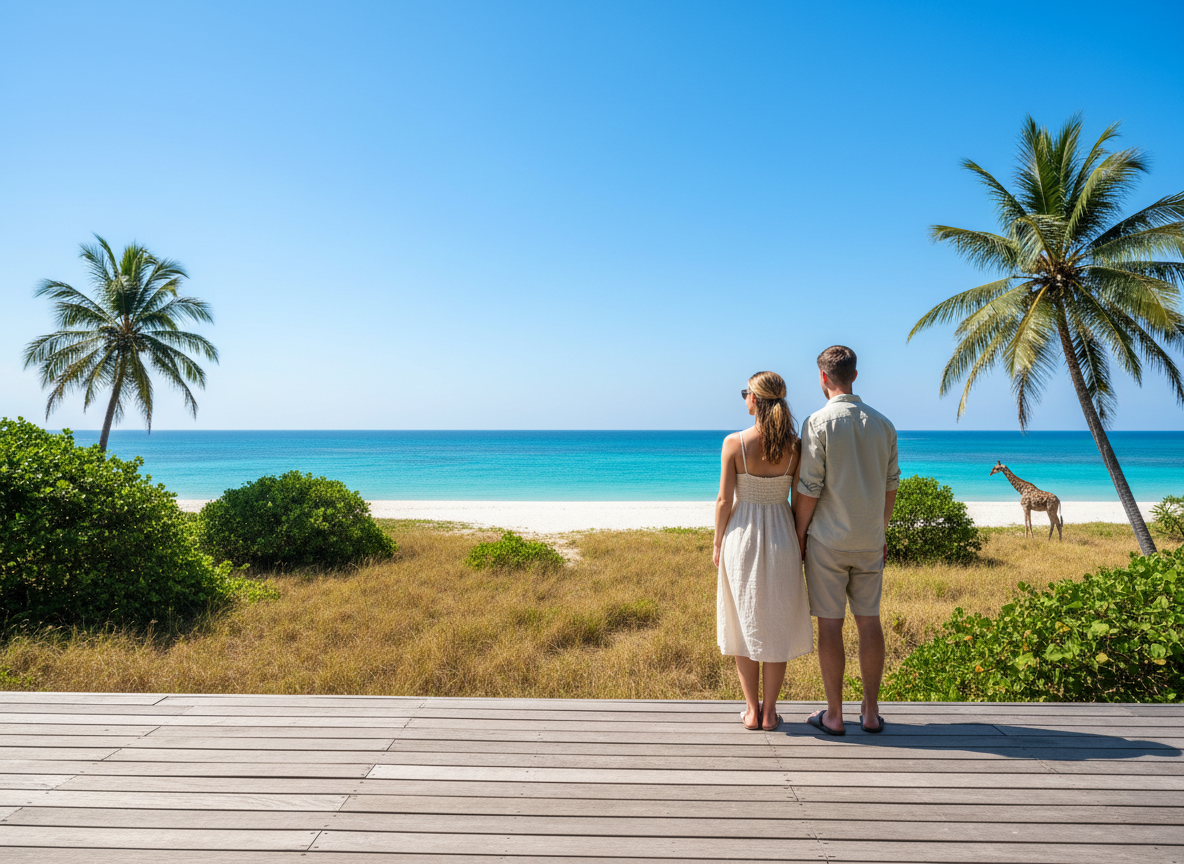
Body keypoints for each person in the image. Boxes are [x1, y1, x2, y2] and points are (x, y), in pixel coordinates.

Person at [795, 346, 899, 735]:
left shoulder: (817, 423)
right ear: (855, 375)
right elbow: (891, 485)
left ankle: (834, 714)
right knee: (870, 622)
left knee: (830, 626)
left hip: (827, 541)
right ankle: (871, 713)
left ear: (822, 378)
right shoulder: (883, 424)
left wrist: (799, 535)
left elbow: (808, 488)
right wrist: (880, 529)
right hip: (869, 539)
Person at [714, 371, 814, 732]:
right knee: (776, 623)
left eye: (745, 392)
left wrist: (716, 542)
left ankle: (751, 712)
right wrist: (799, 539)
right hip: (783, 536)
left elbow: (725, 500)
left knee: (744, 621)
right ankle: (770, 712)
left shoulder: (734, 443)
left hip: (741, 537)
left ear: (753, 400)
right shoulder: (796, 446)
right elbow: (802, 499)